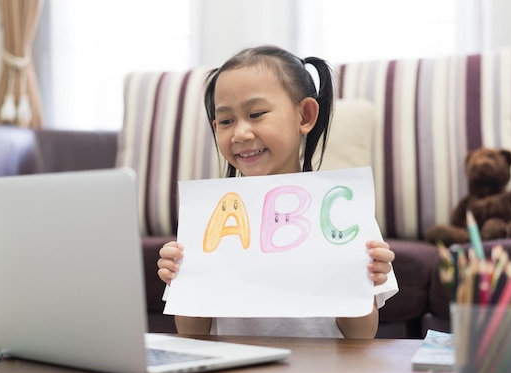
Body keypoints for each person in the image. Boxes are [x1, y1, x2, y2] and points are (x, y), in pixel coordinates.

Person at [157, 45, 398, 339]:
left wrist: (362, 280)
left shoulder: (342, 217)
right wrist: (184, 280)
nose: (240, 133)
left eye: (256, 114)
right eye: (226, 121)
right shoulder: (210, 224)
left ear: (305, 116)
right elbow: (193, 335)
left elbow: (360, 337)